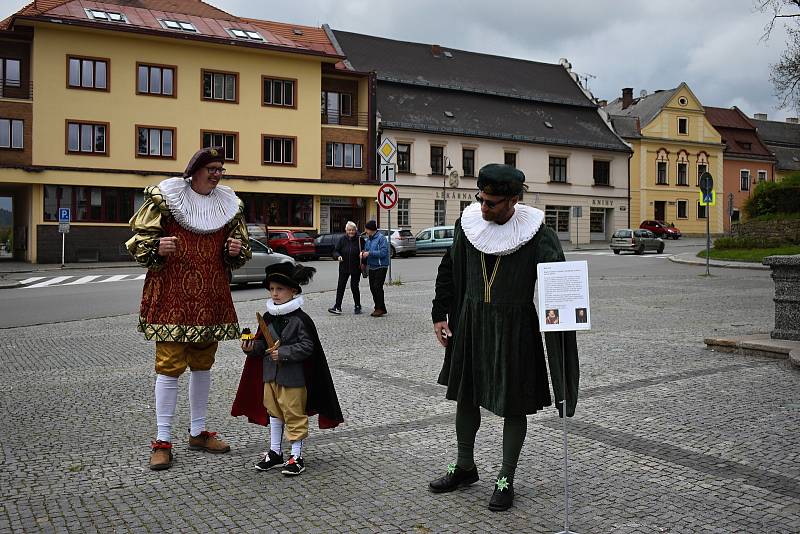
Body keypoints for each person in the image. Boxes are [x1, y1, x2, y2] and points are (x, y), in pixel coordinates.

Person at [429, 164, 579, 511]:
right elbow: (448, 269)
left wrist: (567, 307)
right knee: (466, 395)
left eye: (493, 203)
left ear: (513, 200)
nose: (484, 208)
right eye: (481, 199)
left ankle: (505, 477)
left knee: (513, 402)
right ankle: (464, 466)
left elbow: (557, 275)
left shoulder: (538, 232)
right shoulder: (466, 225)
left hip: (515, 326)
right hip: (471, 322)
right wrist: (440, 314)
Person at [126, 146, 252, 471]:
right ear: (194, 170)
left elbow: (240, 251)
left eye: (220, 169)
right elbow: (138, 241)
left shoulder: (228, 205)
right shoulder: (166, 199)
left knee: (203, 364)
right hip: (171, 294)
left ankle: (197, 432)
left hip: (210, 296)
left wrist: (234, 250)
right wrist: (157, 246)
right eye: (211, 168)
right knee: (168, 366)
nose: (216, 174)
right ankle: (162, 440)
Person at [232, 262, 344, 476]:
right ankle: (275, 452)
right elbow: (262, 345)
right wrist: (250, 348)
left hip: (293, 378)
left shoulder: (301, 319)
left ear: (293, 291)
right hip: (270, 376)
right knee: (274, 412)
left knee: (293, 414)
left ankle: (296, 455)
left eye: (280, 289)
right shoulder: (268, 317)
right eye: (272, 289)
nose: (275, 294)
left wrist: (283, 353)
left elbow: (308, 346)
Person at [328, 221, 363, 315]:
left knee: (354, 287)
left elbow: (365, 250)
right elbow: (335, 251)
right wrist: (338, 256)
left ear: (356, 230)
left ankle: (357, 306)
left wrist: (362, 254)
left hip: (356, 267)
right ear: (346, 230)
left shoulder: (360, 239)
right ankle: (337, 306)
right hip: (344, 267)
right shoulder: (342, 239)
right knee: (340, 287)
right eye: (349, 230)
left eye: (353, 230)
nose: (351, 232)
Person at [361, 220, 390, 317]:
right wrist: (363, 254)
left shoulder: (381, 238)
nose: (365, 231)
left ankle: (379, 308)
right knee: (373, 288)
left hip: (381, 266)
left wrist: (369, 253)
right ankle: (380, 307)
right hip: (372, 266)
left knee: (378, 287)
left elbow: (383, 253)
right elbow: (366, 250)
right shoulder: (369, 239)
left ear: (371, 229)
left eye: (366, 229)